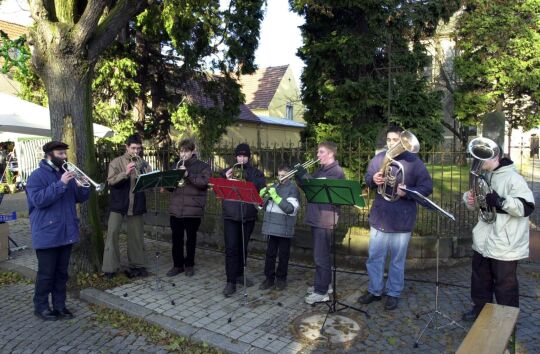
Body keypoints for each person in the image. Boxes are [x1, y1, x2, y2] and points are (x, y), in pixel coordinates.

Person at [359, 126, 433, 311]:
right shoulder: (379, 158)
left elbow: (427, 187)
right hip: (380, 216)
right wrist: (372, 180)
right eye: (389, 139)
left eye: (396, 139)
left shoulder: (414, 162)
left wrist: (407, 192)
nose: (392, 143)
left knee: (397, 260)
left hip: (402, 219)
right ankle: (375, 290)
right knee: (375, 257)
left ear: (403, 140)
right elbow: (368, 177)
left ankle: (393, 293)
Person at [462, 145, 534, 321]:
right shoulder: (484, 176)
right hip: (483, 240)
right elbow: (477, 205)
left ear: (496, 158)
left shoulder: (514, 179)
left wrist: (500, 201)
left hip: (504, 244)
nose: (477, 162)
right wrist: (469, 199)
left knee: (505, 287)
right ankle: (480, 312)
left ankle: (506, 323)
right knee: (480, 282)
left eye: (482, 158)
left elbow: (526, 207)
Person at [26, 141, 90, 320]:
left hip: (66, 231)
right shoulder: (36, 176)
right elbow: (38, 200)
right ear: (50, 155)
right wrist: (60, 184)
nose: (64, 157)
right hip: (47, 232)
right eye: (60, 154)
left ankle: (60, 306)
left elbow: (78, 198)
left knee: (62, 274)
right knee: (46, 274)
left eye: (64, 153)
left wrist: (84, 186)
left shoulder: (66, 174)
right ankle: (41, 307)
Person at [295, 141, 345, 305]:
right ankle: (325, 284)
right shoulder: (321, 170)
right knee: (320, 254)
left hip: (325, 219)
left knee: (320, 256)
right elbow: (310, 189)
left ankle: (321, 291)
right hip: (316, 217)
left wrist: (306, 176)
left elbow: (318, 187)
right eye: (318, 152)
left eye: (321, 152)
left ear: (331, 154)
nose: (317, 155)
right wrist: (299, 176)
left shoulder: (336, 172)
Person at [220, 143, 265, 297]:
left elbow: (260, 188)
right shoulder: (227, 171)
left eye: (245, 156)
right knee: (231, 248)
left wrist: (247, 178)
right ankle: (230, 281)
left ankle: (239, 274)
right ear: (235, 156)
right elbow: (217, 186)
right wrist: (226, 178)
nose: (242, 158)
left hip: (247, 215)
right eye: (239, 155)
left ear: (249, 157)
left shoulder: (256, 173)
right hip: (230, 215)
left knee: (243, 247)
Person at [102, 135, 150, 279]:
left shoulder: (143, 162)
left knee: (136, 236)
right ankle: (110, 268)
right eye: (133, 148)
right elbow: (111, 181)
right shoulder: (116, 162)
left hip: (136, 204)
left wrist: (146, 171)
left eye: (138, 148)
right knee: (112, 234)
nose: (136, 151)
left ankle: (138, 265)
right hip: (118, 204)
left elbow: (149, 179)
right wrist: (125, 173)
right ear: (127, 147)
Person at [166, 138, 211, 277]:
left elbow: (204, 183)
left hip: (193, 210)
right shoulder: (176, 165)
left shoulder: (203, 166)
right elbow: (169, 187)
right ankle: (177, 265)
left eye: (186, 151)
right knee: (176, 239)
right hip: (176, 209)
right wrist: (169, 180)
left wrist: (188, 174)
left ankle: (189, 265)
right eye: (181, 151)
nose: (183, 154)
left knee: (191, 239)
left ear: (193, 151)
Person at [258, 165, 300, 291]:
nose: (281, 178)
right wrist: (261, 197)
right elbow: (262, 207)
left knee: (283, 254)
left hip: (284, 226)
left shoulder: (293, 189)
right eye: (279, 175)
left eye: (284, 175)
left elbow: (290, 209)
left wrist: (275, 197)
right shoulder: (275, 186)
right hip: (272, 226)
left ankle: (281, 279)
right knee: (270, 254)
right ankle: (269, 278)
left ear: (290, 175)